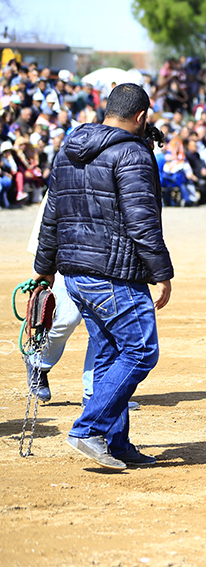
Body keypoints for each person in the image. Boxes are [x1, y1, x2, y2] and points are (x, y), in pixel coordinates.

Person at [33, 83, 173, 469]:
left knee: (111, 353)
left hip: (75, 275)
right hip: (116, 274)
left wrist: (43, 271)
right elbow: (142, 221)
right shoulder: (132, 152)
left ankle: (116, 443)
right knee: (142, 350)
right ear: (142, 117)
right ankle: (88, 429)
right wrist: (163, 273)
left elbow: (51, 215)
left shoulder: (68, 147)